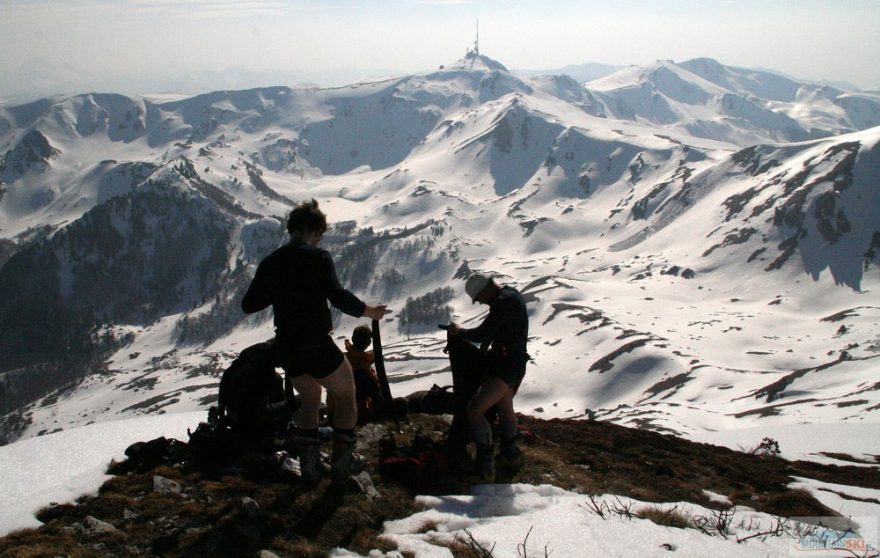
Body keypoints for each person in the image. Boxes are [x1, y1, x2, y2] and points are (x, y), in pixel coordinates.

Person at [241, 199, 388, 487]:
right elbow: (337, 295)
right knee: (346, 393)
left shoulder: (271, 262)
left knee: (309, 396)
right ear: (315, 230)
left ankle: (310, 468)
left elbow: (250, 304)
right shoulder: (318, 258)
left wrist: (281, 289)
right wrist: (369, 311)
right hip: (314, 341)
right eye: (320, 234)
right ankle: (342, 466)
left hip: (286, 344)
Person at [446, 272, 529, 477]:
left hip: (506, 368)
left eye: (479, 298)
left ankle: (485, 464)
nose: (481, 303)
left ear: (485, 290)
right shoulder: (511, 295)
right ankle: (510, 454)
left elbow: (483, 333)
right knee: (505, 408)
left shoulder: (502, 302)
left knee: (475, 409)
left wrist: (459, 332)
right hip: (513, 364)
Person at [327, 325, 385, 424]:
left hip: (333, 412)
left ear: (353, 339)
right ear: (369, 343)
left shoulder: (342, 359)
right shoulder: (363, 366)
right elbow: (376, 389)